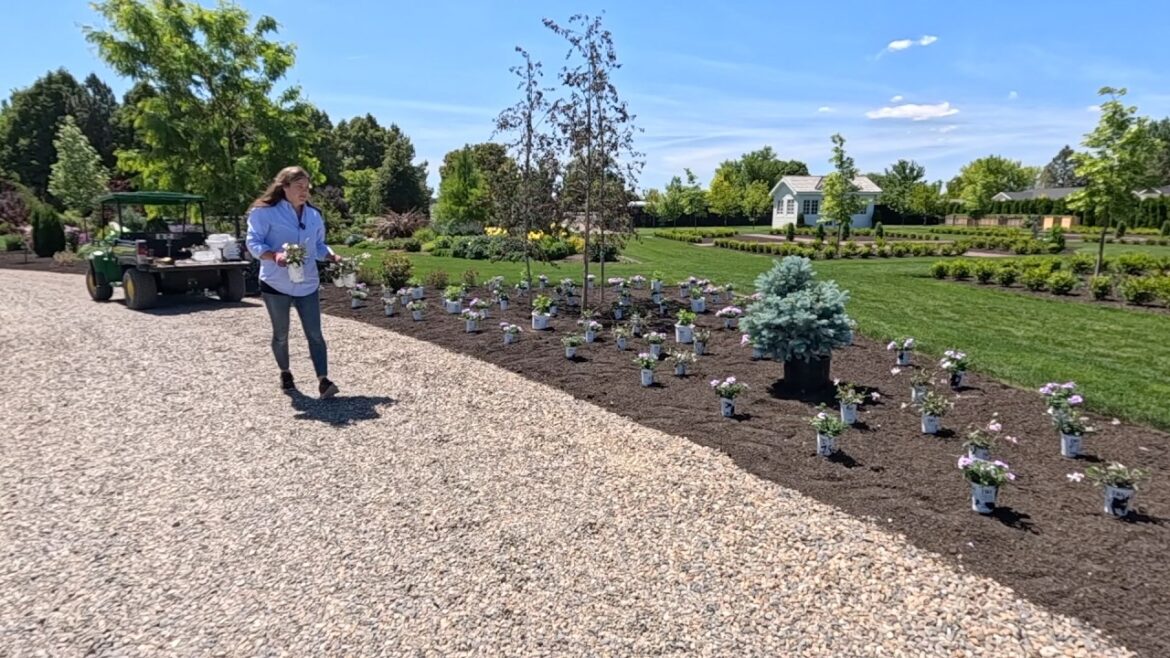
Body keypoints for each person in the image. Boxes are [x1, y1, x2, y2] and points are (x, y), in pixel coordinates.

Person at [245, 166, 341, 399]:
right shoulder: (263, 213)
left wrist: (330, 255)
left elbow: (318, 245)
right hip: (276, 283)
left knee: (315, 334)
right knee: (281, 334)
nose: (304, 192)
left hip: (307, 283)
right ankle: (286, 372)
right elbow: (253, 243)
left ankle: (323, 380)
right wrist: (274, 255)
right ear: (284, 187)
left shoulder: (313, 215)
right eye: (299, 187)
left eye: (307, 187)